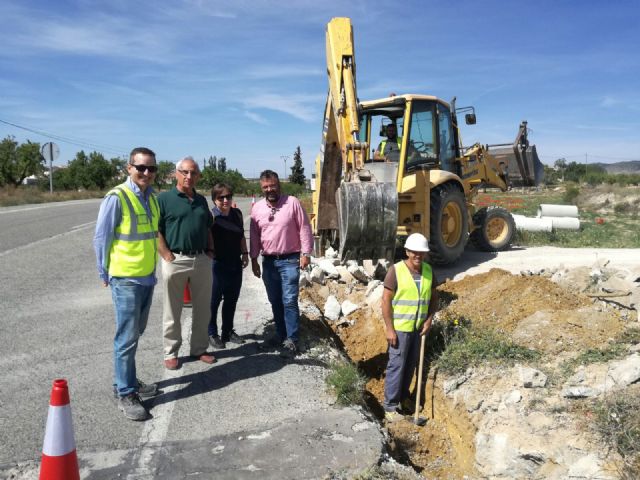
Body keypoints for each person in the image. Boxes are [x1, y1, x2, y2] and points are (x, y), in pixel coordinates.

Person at [93, 147, 160, 421]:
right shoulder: (117, 197)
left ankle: (127, 380)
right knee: (126, 336)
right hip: (126, 279)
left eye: (151, 168)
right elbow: (101, 237)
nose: (146, 173)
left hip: (146, 277)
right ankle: (126, 393)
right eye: (140, 167)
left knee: (136, 333)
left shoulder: (152, 198)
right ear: (129, 168)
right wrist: (103, 271)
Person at [157, 156, 215, 370]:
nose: (189, 176)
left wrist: (210, 251)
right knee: (172, 309)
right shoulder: (164, 199)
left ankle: (199, 349)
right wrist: (166, 255)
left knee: (203, 308)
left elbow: (208, 227)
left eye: (193, 173)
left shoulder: (201, 200)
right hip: (176, 259)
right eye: (185, 172)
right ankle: (171, 352)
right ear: (176, 174)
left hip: (201, 259)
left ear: (198, 176)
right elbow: (157, 230)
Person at [250, 170, 314, 357]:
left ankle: (293, 340)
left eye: (273, 185)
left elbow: (304, 227)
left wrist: (306, 253)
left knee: (289, 300)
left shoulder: (292, 202)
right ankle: (280, 334)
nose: (270, 189)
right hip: (268, 261)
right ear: (262, 188)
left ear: (279, 185)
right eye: (265, 187)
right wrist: (254, 259)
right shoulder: (258, 209)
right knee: (275, 300)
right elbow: (254, 235)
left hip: (289, 259)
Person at [381, 233, 438, 422]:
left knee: (410, 366)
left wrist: (429, 320)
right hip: (400, 329)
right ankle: (390, 406)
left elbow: (434, 298)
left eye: (421, 252)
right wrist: (389, 329)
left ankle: (403, 399)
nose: (418, 256)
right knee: (397, 366)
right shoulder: (396, 271)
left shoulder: (429, 271)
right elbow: (386, 301)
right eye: (414, 252)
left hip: (418, 329)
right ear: (407, 251)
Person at [208, 183, 249, 350]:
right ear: (214, 199)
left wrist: (245, 253)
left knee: (231, 300)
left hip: (234, 263)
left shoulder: (237, 214)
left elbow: (241, 236)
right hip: (216, 264)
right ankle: (211, 333)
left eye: (228, 197)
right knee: (213, 301)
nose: (225, 200)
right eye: (221, 197)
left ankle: (227, 332)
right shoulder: (210, 217)